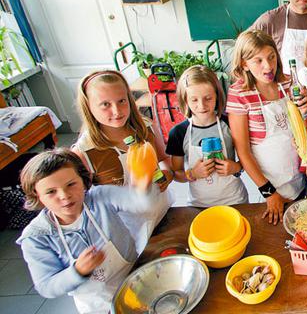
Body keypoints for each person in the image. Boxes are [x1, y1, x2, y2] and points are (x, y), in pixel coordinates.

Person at [16, 149, 156, 313]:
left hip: (135, 277)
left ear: (83, 180)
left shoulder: (100, 197)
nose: (64, 196)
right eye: (51, 192)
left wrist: (142, 186)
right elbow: (46, 286)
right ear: (36, 194)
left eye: (71, 184)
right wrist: (78, 271)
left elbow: (140, 203)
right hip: (97, 305)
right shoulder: (37, 238)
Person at [72, 69, 172, 252]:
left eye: (122, 101)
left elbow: (165, 159)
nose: (116, 111)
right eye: (105, 104)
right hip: (127, 231)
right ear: (88, 107)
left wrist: (167, 173)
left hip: (162, 211)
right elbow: (86, 203)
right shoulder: (84, 152)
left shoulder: (146, 128)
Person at [227, 30, 307, 224]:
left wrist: (306, 111)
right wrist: (269, 193)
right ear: (244, 64)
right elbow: (244, 152)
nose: (268, 66)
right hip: (268, 188)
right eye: (258, 61)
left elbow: (305, 130)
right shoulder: (239, 94)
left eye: (271, 57)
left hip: (299, 178)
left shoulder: (289, 83)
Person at [166, 65, 248, 207]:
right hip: (199, 204)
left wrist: (236, 167)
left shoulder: (231, 123)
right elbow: (176, 173)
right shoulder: (178, 133)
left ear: (217, 95)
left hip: (235, 200)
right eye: (194, 100)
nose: (202, 105)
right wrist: (192, 173)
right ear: (185, 100)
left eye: (208, 98)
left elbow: (248, 158)